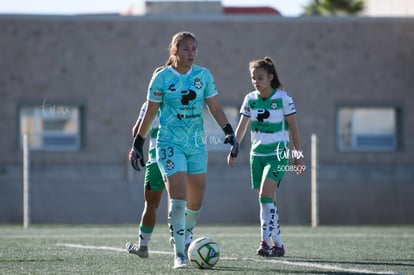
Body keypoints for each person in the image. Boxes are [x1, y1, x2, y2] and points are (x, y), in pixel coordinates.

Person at [129, 31, 238, 269]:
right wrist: (138, 143)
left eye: (194, 49)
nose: (191, 53)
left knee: (195, 202)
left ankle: (184, 232)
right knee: (177, 197)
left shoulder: (203, 76)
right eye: (186, 49)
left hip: (197, 145)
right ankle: (179, 254)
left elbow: (215, 107)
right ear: (175, 51)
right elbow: (149, 113)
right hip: (169, 144)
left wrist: (229, 131)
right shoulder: (160, 78)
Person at [228, 56, 304, 258]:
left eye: (260, 77)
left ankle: (264, 242)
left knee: (264, 194)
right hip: (257, 155)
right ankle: (278, 243)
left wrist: (297, 156)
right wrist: (234, 149)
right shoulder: (249, 99)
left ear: (270, 77)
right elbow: (242, 127)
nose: (256, 82)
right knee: (267, 198)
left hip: (277, 156)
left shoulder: (284, 99)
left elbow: (294, 129)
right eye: (253, 78)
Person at [125, 101, 164, 258]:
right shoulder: (179, 96)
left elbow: (137, 132)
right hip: (180, 157)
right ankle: (183, 245)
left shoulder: (149, 103)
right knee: (179, 202)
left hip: (156, 159)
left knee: (151, 206)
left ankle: (143, 246)